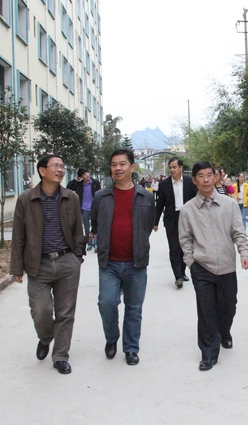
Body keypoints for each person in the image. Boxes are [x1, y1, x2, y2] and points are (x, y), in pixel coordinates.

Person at [10, 154, 86, 375]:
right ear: (42, 171)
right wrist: (17, 267)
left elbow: (78, 229)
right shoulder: (26, 199)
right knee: (41, 310)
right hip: (38, 264)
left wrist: (77, 258)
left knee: (65, 313)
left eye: (62, 166)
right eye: (55, 166)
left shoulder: (71, 197)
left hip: (66, 263)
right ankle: (45, 337)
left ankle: (60, 356)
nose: (60, 170)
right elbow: (18, 235)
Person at [179, 161, 248, 371]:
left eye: (209, 175)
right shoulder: (187, 210)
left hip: (227, 266)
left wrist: (244, 253)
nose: (206, 180)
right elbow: (185, 239)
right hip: (202, 267)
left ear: (215, 177)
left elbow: (238, 232)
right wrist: (191, 263)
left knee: (228, 307)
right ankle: (208, 353)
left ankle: (224, 331)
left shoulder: (229, 205)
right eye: (201, 176)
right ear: (194, 180)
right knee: (206, 311)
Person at [91, 148, 155, 366]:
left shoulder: (146, 196)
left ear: (132, 167)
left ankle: (131, 348)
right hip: (109, 263)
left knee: (134, 308)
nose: (118, 168)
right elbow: (95, 224)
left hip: (136, 263)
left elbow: (148, 225)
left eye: (122, 164)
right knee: (107, 303)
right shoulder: (101, 196)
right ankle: (111, 338)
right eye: (114, 164)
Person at [154, 156, 198, 288]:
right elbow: (160, 204)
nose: (172, 170)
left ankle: (182, 272)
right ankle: (178, 276)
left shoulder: (190, 182)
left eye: (174, 167)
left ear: (181, 168)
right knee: (174, 248)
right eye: (170, 168)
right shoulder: (164, 185)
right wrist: (155, 222)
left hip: (187, 219)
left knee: (185, 248)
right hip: (171, 220)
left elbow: (197, 200)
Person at [67, 168, 101, 251]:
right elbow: (68, 188)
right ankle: (89, 243)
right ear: (81, 176)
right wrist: (75, 180)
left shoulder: (95, 183)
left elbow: (99, 194)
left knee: (95, 226)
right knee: (86, 228)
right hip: (84, 208)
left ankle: (95, 244)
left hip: (94, 208)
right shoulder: (79, 184)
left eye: (87, 173)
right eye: (84, 174)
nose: (87, 175)